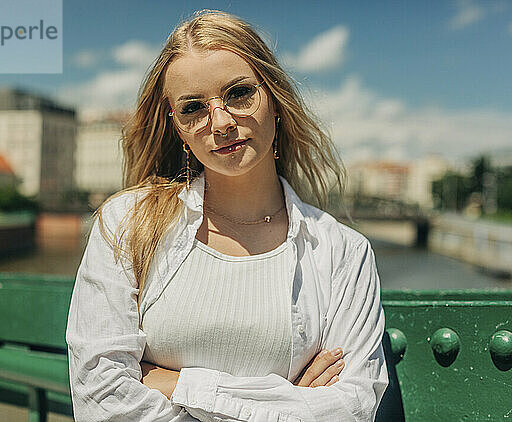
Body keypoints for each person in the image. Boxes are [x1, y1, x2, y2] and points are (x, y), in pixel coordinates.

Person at [66, 9, 389, 422]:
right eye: (192, 108)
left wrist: (177, 384)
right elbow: (101, 399)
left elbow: (352, 409)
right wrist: (285, 402)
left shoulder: (342, 251)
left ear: (275, 100)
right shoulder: (127, 224)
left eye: (238, 94)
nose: (219, 123)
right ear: (179, 130)